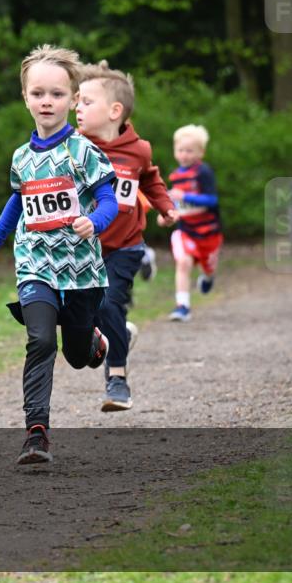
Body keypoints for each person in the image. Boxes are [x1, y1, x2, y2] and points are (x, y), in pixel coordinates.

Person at [0, 44, 117, 464]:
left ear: (73, 100)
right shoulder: (21, 157)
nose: (46, 101)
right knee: (40, 340)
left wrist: (95, 222)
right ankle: (36, 433)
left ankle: (92, 339)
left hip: (80, 268)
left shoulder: (83, 151)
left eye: (56, 94)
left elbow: (109, 200)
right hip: (35, 262)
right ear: (25, 98)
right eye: (38, 93)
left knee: (76, 355)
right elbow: (17, 203)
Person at [75, 60, 179, 412]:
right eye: (77, 101)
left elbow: (150, 179)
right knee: (84, 318)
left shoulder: (139, 150)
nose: (77, 108)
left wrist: (166, 207)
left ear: (114, 111)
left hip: (125, 246)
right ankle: (119, 332)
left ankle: (117, 380)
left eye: (86, 102)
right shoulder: (73, 147)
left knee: (110, 305)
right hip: (82, 250)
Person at [162, 124, 222, 322]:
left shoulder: (203, 172)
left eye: (189, 151)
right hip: (186, 231)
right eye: (180, 150)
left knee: (208, 268)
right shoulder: (175, 176)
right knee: (183, 262)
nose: (184, 155)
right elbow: (175, 204)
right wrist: (167, 213)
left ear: (200, 152)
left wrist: (186, 196)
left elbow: (212, 200)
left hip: (209, 232)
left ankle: (208, 277)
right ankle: (182, 306)